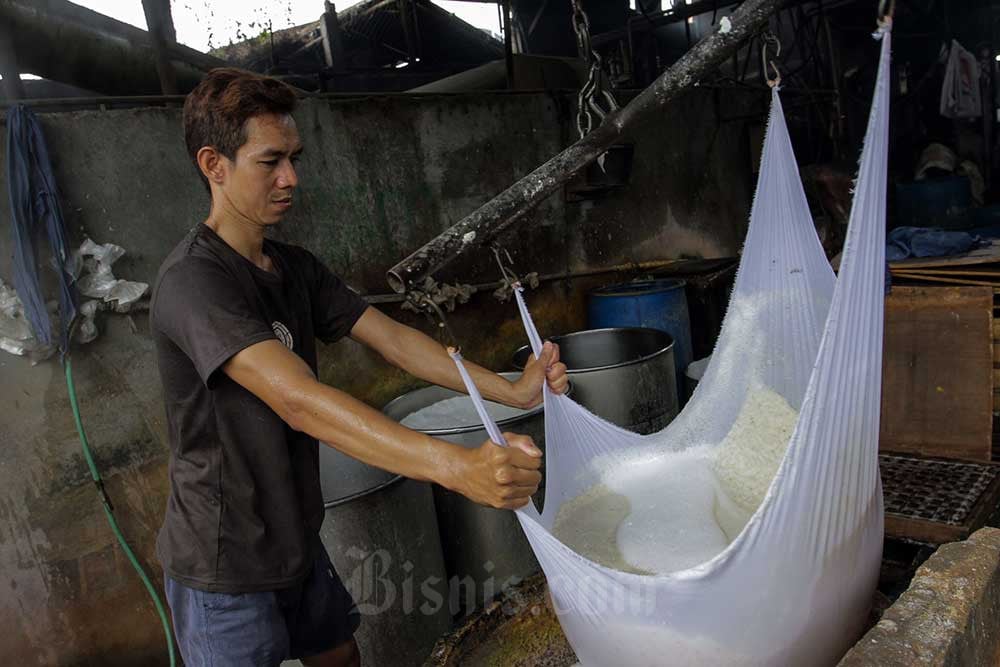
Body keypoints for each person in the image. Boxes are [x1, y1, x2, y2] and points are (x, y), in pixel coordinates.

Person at [150, 68, 568, 667]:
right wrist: (457, 467)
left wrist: (511, 389)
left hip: (293, 538)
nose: (291, 178)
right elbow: (296, 398)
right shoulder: (195, 281)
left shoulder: (293, 266)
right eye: (270, 161)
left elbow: (394, 339)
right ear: (214, 165)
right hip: (225, 563)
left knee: (340, 657)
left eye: (295, 158)